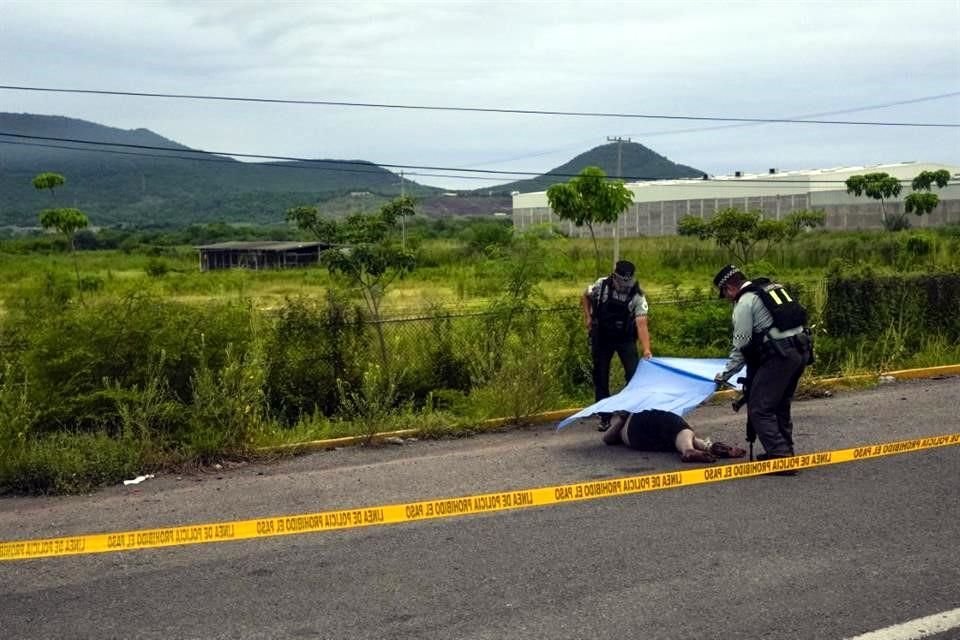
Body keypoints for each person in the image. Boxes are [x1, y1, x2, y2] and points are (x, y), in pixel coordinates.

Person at [711, 264, 812, 474]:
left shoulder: (745, 303)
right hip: (801, 351)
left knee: (759, 408)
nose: (729, 299)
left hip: (780, 357)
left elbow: (741, 346)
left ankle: (780, 457)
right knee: (780, 405)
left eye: (726, 294)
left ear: (730, 287)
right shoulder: (772, 288)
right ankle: (785, 451)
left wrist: (724, 375)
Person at [582, 260, 653, 431]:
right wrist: (588, 317)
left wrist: (646, 349)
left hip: (625, 338)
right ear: (614, 276)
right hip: (603, 337)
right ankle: (604, 416)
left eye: (627, 282)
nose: (624, 285)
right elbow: (584, 295)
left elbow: (641, 323)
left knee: (633, 374)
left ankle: (629, 412)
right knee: (600, 376)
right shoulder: (601, 285)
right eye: (621, 281)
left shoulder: (637, 295)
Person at [601, 409, 746, 463]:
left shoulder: (627, 415)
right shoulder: (631, 414)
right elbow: (607, 439)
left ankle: (705, 447)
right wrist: (623, 417)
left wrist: (622, 417)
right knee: (677, 429)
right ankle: (696, 448)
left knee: (675, 438)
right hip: (641, 425)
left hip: (640, 439)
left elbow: (606, 439)